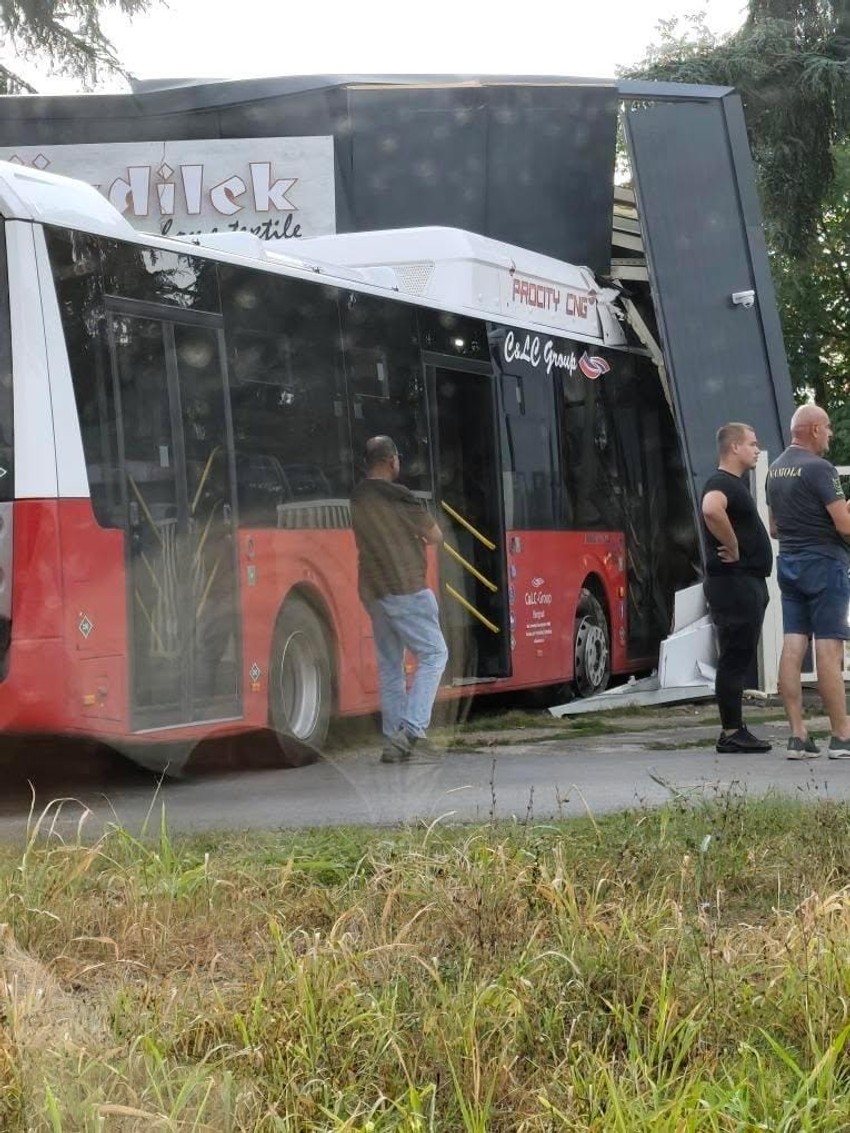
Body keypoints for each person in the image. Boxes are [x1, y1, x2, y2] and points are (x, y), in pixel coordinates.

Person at [351, 435, 449, 763]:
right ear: (391, 460)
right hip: (405, 588)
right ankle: (410, 730)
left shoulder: (359, 497)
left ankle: (393, 740)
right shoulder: (400, 496)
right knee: (435, 654)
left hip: (373, 591)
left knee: (390, 665)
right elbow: (435, 535)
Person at [766, 403, 850, 759]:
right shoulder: (820, 469)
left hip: (790, 563)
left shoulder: (774, 469)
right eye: (828, 428)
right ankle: (842, 735)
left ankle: (798, 736)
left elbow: (773, 527)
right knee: (829, 649)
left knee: (793, 645)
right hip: (824, 563)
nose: (830, 433)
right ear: (814, 429)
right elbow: (843, 525)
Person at [700, 422, 773, 753]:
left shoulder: (734, 484)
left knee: (739, 656)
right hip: (734, 583)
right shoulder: (720, 482)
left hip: (746, 582)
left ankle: (735, 728)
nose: (757, 449)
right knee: (733, 657)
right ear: (734, 448)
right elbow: (711, 509)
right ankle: (731, 732)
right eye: (752, 444)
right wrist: (732, 545)